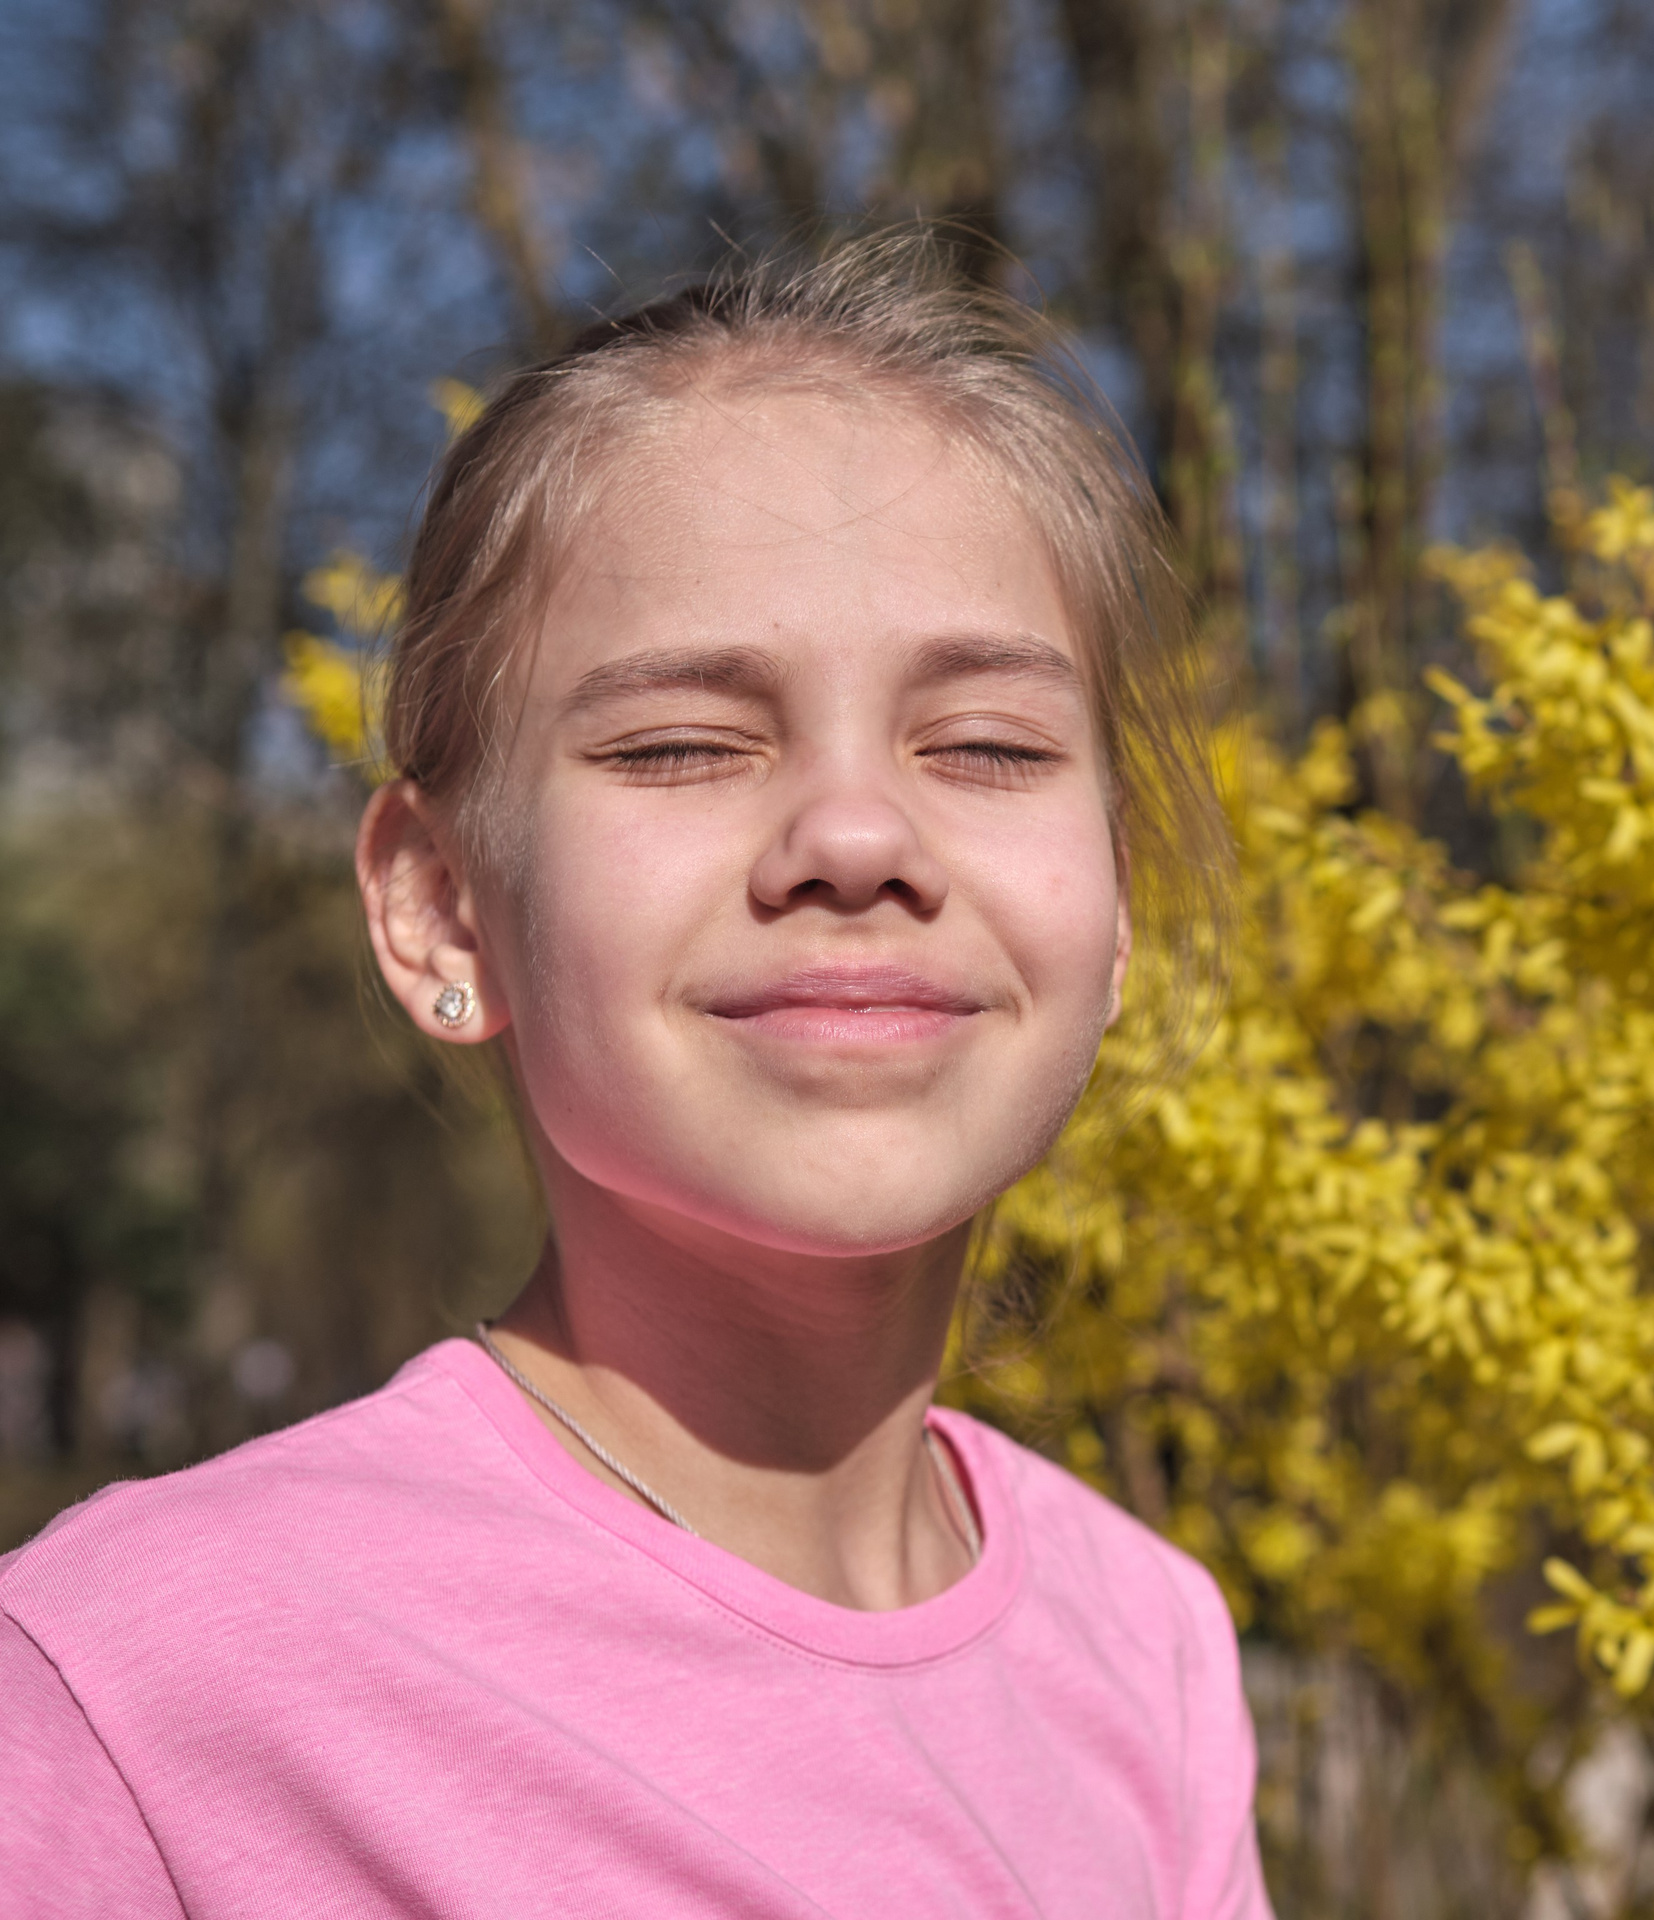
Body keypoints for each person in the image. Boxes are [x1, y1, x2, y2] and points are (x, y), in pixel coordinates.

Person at [0, 234, 1267, 1918]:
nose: (858, 837)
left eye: (987, 747)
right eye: (679, 744)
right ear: (446, 910)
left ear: (1111, 914)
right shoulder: (128, 1698)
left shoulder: (1151, 1644)